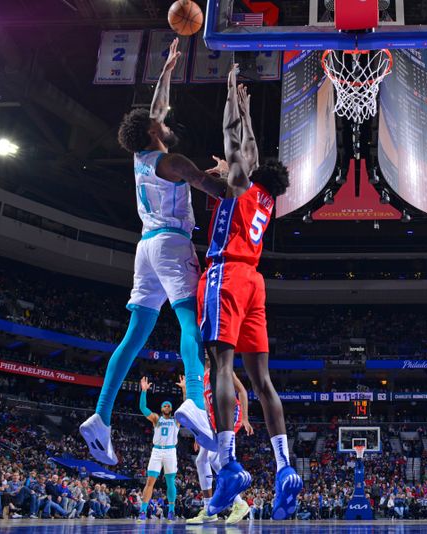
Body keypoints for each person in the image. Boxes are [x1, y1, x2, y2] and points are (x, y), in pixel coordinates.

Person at [80, 37, 226, 464]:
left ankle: (100, 417)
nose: (165, 121)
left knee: (134, 337)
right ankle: (195, 401)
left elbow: (156, 110)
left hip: (145, 248)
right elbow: (215, 189)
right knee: (189, 322)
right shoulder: (173, 162)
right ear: (151, 132)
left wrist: (166, 72)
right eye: (158, 122)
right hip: (171, 244)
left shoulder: (141, 157)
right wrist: (225, 172)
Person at [198, 64, 299, 520]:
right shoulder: (266, 197)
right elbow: (251, 147)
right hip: (257, 283)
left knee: (220, 363)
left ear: (244, 171)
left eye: (229, 163)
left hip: (229, 274)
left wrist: (229, 99)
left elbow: (235, 143)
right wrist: (248, 107)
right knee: (262, 383)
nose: (223, 163)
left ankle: (228, 462)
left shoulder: (238, 185)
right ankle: (284, 469)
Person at [187, 362, 252, 525]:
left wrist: (245, 417)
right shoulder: (202, 379)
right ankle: (209, 509)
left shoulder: (223, 369)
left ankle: (240, 504)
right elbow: (207, 409)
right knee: (201, 460)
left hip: (231, 413)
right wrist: (200, 434)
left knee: (214, 459)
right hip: (214, 419)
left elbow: (242, 391)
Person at [136, 376, 181, 522]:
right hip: (157, 451)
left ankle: (172, 511)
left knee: (170, 482)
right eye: (164, 405)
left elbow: (188, 406)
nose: (167, 407)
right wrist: (144, 391)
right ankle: (143, 511)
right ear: (161, 408)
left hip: (170, 451)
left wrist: (185, 389)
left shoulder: (176, 419)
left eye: (168, 405)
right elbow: (143, 408)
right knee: (150, 481)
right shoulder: (156, 418)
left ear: (171, 408)